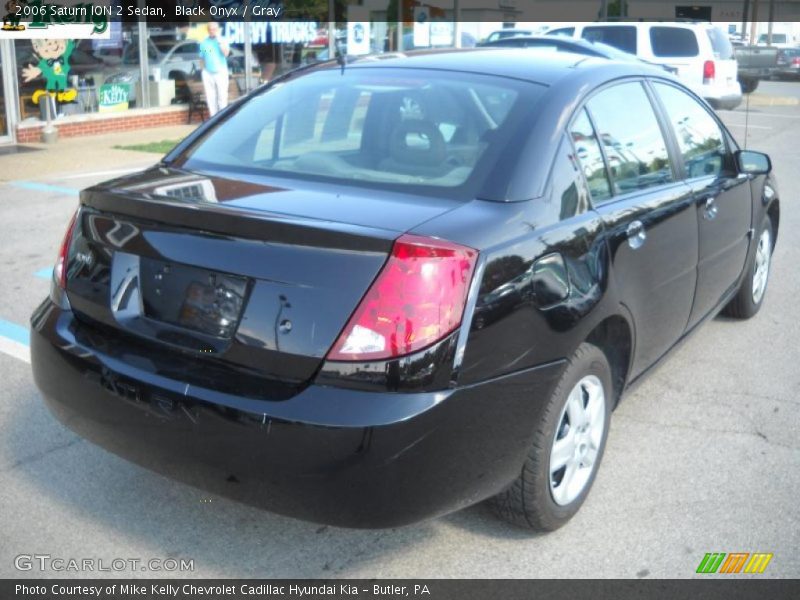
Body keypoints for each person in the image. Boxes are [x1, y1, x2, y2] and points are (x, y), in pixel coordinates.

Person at [199, 22, 230, 116]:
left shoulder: (223, 40)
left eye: (214, 29)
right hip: (208, 72)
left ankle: (222, 116)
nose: (212, 31)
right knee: (210, 97)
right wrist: (203, 70)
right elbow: (202, 57)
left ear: (217, 30)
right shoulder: (204, 42)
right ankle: (213, 117)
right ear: (208, 30)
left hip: (220, 71)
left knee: (222, 95)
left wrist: (219, 41)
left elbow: (226, 53)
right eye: (210, 29)